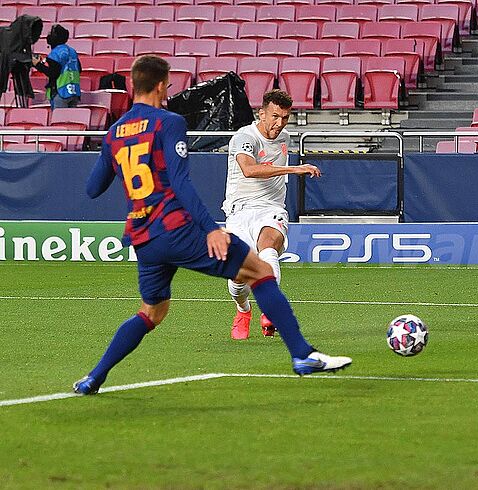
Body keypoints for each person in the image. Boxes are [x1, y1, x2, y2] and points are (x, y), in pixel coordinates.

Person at [73, 56, 351, 395]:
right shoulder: (169, 122)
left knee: (151, 313)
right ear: (160, 86)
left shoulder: (115, 131)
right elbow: (180, 183)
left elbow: (92, 188)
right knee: (261, 271)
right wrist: (211, 229)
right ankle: (302, 355)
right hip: (176, 227)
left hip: (143, 237)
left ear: (133, 85)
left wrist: (116, 155)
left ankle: (93, 378)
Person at [223, 89, 321, 340]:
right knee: (238, 279)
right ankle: (243, 310)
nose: (280, 123)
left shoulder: (284, 137)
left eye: (285, 118)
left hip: (271, 209)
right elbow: (248, 170)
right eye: (275, 116)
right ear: (262, 114)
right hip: (240, 211)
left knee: (269, 245)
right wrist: (294, 169)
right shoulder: (244, 137)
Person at [32, 24, 80, 109]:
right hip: (74, 92)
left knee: (59, 117)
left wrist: (37, 65)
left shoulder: (55, 53)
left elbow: (53, 73)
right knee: (72, 117)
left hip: (60, 92)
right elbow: (79, 69)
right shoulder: (72, 51)